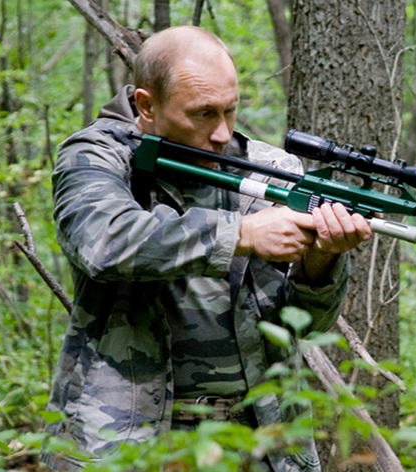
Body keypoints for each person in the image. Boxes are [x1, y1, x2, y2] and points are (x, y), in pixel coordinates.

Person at [41, 25, 371, 471]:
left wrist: (322, 261)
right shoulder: (96, 157)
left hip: (260, 443)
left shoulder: (272, 170)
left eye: (230, 111)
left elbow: (302, 330)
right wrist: (244, 234)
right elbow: (104, 242)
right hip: (127, 441)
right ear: (146, 105)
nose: (221, 133)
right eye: (202, 114)